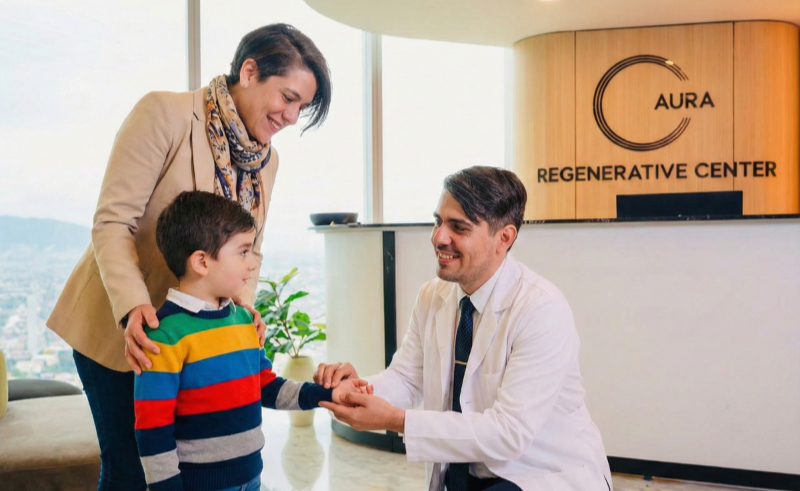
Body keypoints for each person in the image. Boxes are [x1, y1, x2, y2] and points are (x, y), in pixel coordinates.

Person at [46, 23, 332, 490]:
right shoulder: (165, 114)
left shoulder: (266, 159)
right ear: (250, 69)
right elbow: (113, 221)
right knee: (132, 472)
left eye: (301, 106)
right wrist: (133, 307)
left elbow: (250, 246)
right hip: (127, 334)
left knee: (194, 471)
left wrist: (242, 306)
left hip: (199, 343)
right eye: (287, 96)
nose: (291, 115)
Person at [316, 166, 612, 491]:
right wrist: (356, 390)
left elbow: (508, 433)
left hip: (537, 474)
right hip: (465, 476)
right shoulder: (433, 295)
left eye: (458, 227)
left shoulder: (541, 309)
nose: (438, 237)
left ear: (505, 238)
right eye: (438, 221)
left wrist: (395, 420)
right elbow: (405, 378)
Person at [135, 191, 365, 491]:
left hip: (252, 478)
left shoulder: (244, 321)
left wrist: (325, 394)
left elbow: (266, 386)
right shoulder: (164, 336)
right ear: (202, 262)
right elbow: (152, 429)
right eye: (243, 252)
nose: (252, 264)